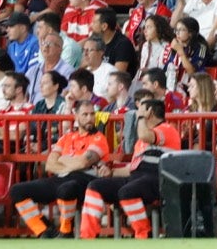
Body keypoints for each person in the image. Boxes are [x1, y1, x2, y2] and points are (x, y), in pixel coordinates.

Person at [77, 97, 180, 239]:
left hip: (160, 179)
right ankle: (87, 236)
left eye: (140, 111)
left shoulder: (167, 129)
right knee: (95, 186)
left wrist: (141, 117)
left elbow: (144, 135)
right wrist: (111, 172)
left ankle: (144, 233)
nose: (137, 114)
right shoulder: (141, 141)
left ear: (148, 113)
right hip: (137, 177)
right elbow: (132, 168)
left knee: (128, 192)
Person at [8, 100, 109, 238]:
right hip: (61, 177)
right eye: (85, 114)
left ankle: (66, 230)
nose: (89, 118)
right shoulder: (66, 137)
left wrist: (62, 160)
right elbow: (50, 164)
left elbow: (83, 163)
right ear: (76, 116)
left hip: (86, 179)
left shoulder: (99, 137)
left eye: (92, 114)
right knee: (17, 190)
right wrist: (67, 164)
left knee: (67, 188)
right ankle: (44, 230)